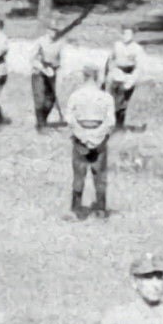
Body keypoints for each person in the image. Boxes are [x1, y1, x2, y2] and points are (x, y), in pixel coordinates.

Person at [63, 66, 115, 219]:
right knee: (100, 176)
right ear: (98, 77)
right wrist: (97, 136)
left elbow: (69, 120)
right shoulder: (106, 98)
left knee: (79, 175)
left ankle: (76, 210)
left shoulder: (75, 96)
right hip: (99, 141)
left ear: (83, 77)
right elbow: (110, 122)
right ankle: (100, 210)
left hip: (80, 140)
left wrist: (83, 136)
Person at [104, 26, 142, 128]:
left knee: (123, 102)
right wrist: (109, 74)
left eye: (129, 34)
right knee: (110, 100)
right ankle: (108, 125)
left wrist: (131, 80)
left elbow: (139, 67)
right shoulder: (117, 45)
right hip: (115, 75)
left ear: (133, 35)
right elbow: (110, 60)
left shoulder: (137, 49)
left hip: (128, 75)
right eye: (124, 33)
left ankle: (119, 126)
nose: (126, 36)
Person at [29, 23, 64, 130]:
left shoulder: (59, 43)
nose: (54, 33)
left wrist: (55, 70)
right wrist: (43, 68)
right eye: (52, 30)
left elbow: (59, 60)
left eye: (56, 30)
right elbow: (32, 59)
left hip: (51, 72)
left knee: (51, 99)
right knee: (39, 98)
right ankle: (41, 125)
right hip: (38, 72)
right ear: (47, 30)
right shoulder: (40, 42)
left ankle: (42, 119)